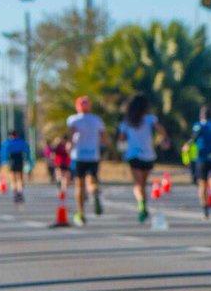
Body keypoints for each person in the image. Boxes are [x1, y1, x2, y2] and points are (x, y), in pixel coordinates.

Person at [117, 94, 169, 223]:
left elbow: (121, 139)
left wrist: (122, 149)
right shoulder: (150, 119)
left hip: (133, 155)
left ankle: (142, 206)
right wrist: (164, 140)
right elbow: (162, 131)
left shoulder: (127, 122)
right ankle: (143, 204)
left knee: (138, 184)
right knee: (143, 184)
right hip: (148, 156)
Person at [67, 96, 109, 226]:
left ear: (77, 106)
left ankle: (81, 214)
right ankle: (94, 193)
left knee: (79, 185)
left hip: (78, 156)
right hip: (93, 156)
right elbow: (105, 138)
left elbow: (71, 135)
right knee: (91, 182)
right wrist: (102, 146)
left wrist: (69, 146)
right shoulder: (97, 120)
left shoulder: (74, 119)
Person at [2, 129, 31, 202]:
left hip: (12, 159)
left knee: (13, 177)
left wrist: (5, 161)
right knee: (20, 177)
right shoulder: (21, 142)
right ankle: (20, 192)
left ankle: (15, 193)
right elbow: (27, 151)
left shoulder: (8, 142)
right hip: (19, 159)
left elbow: (5, 152)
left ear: (11, 135)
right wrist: (27, 159)